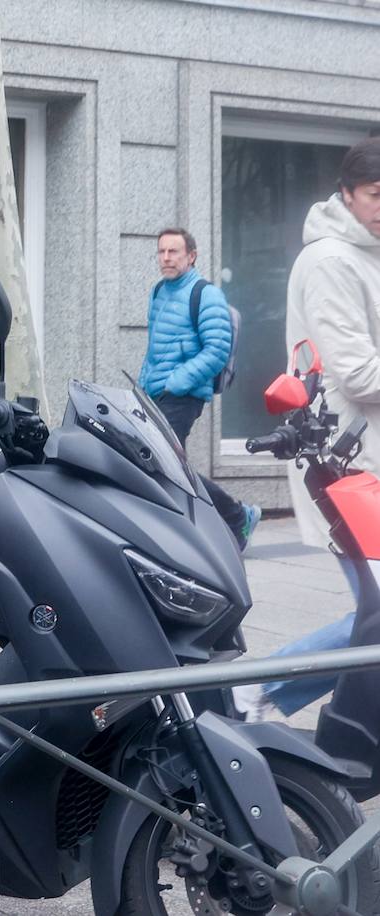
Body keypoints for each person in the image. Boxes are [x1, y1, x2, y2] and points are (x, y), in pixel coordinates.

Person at [234, 137, 380, 722]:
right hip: (352, 466)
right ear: (346, 193)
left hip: (366, 464)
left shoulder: (367, 254)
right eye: (376, 194)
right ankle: (257, 690)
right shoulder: (331, 262)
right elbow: (359, 373)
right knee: (376, 618)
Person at [138, 227, 261, 549]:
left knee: (164, 465)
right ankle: (224, 519)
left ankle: (234, 517)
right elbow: (155, 348)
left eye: (173, 252)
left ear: (191, 256)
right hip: (156, 393)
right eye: (161, 251)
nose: (166, 258)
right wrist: (143, 384)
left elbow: (217, 350)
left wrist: (178, 380)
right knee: (167, 466)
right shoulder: (159, 291)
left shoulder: (206, 294)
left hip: (184, 395)